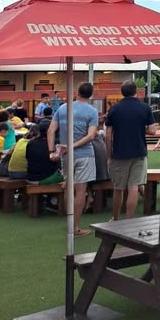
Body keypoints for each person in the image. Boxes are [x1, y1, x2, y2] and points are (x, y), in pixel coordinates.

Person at [48, 82, 99, 237]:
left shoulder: (63, 108)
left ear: (77, 92)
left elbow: (51, 130)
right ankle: (75, 227)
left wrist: (51, 150)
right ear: (91, 94)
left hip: (65, 154)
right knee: (81, 190)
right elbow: (91, 136)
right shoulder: (92, 111)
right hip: (84, 154)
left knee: (69, 187)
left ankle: (70, 222)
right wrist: (72, 146)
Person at [105, 80, 158, 220]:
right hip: (139, 151)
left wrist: (109, 155)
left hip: (119, 153)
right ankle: (129, 220)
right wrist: (142, 128)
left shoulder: (114, 109)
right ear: (136, 91)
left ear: (122, 92)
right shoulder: (145, 108)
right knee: (134, 187)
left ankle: (115, 218)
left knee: (118, 188)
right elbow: (153, 130)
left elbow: (108, 135)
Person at [27, 119, 63, 184]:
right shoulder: (55, 144)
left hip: (30, 178)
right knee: (70, 177)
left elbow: (27, 158)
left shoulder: (31, 142)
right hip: (47, 178)